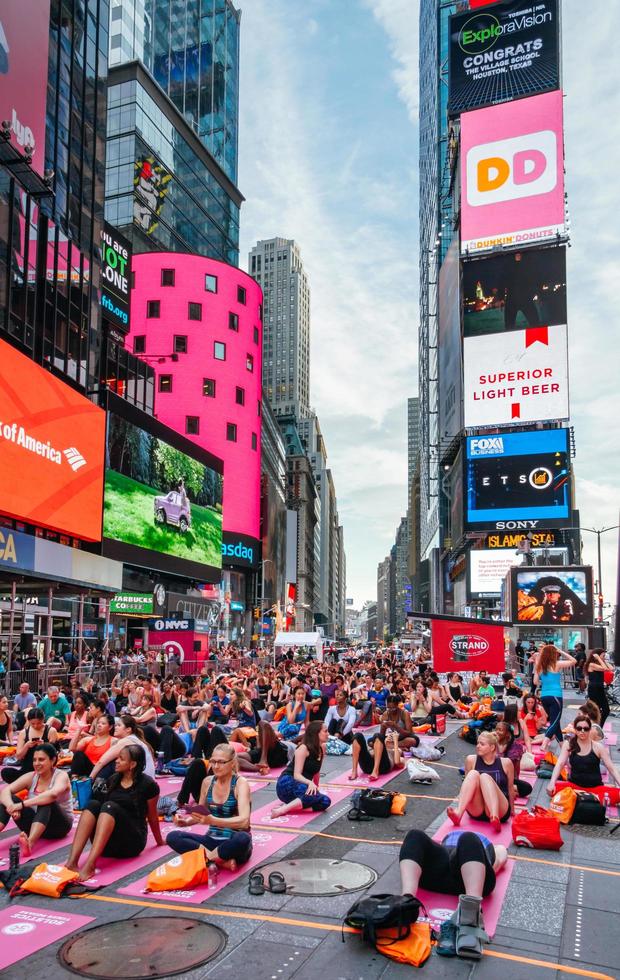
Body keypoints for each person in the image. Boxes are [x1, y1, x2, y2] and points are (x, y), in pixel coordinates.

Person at [399, 829, 508, 958]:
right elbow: (501, 855)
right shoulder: (483, 843)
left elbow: (500, 856)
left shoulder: (475, 841)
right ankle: (407, 902)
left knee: (467, 837)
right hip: (455, 873)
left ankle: (470, 915)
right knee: (415, 834)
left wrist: (484, 870)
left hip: (458, 876)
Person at [65, 744, 164, 881]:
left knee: (110, 806)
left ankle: (90, 865)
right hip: (107, 845)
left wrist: (160, 842)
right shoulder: (113, 779)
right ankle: (72, 862)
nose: (116, 761)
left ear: (133, 764)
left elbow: (152, 816)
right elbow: (99, 811)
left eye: (121, 759)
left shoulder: (148, 785)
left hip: (130, 843)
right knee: (93, 804)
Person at [168, 743, 252, 871]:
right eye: (213, 761)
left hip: (233, 842)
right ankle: (219, 861)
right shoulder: (208, 782)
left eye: (221, 762)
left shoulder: (240, 784)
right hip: (211, 840)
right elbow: (202, 813)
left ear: (232, 763)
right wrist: (185, 822)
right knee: (173, 837)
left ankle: (207, 858)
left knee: (243, 838)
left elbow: (244, 822)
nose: (216, 766)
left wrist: (213, 820)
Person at [0, 743, 73, 856]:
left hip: (59, 827)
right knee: (11, 799)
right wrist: (11, 806)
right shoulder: (31, 776)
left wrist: (21, 805)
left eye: (41, 760)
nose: (37, 764)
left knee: (46, 801)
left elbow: (52, 795)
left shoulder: (61, 776)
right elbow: (5, 791)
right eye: (34, 760)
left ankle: (30, 843)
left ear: (52, 760)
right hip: (36, 824)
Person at [447, 732, 515, 832]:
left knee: (484, 777)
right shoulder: (471, 760)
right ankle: (459, 813)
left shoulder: (506, 763)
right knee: (473, 774)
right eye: (478, 743)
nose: (478, 746)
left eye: (482, 744)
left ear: (492, 747)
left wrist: (512, 810)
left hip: (500, 809)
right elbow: (468, 787)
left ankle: (494, 816)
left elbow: (510, 788)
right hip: (478, 809)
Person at [546, 716, 620, 800]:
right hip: (574, 787)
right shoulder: (569, 744)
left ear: (590, 729)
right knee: (551, 789)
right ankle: (585, 798)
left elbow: (612, 768)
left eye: (586, 729)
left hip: (595, 789)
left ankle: (585, 798)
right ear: (575, 729)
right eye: (579, 728)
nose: (582, 731)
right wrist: (552, 782)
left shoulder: (598, 747)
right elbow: (560, 764)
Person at [271, 721, 331, 818]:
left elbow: (317, 771)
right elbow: (296, 775)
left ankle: (290, 808)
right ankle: (281, 810)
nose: (328, 734)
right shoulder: (303, 748)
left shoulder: (322, 748)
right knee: (311, 795)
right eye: (325, 731)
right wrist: (310, 783)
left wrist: (316, 786)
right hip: (287, 782)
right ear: (316, 733)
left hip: (303, 786)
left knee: (326, 801)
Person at [533, 644, 576, 751]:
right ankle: (545, 742)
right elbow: (573, 660)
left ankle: (562, 746)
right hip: (555, 696)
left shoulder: (540, 666)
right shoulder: (556, 664)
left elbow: (535, 682)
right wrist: (561, 651)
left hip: (544, 696)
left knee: (554, 721)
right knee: (554, 721)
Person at [89, 715, 156, 780]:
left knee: (113, 762)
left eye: (119, 725)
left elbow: (101, 762)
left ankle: (95, 788)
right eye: (116, 725)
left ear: (128, 729)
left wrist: (89, 780)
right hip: (147, 780)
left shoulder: (125, 741)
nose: (116, 728)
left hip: (139, 782)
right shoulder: (136, 738)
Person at [1, 708, 57, 784]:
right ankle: (29, 782)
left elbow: (54, 757)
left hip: (45, 770)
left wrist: (45, 746)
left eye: (39, 723)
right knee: (6, 772)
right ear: (28, 721)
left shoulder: (51, 731)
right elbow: (18, 756)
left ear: (43, 719)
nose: (36, 726)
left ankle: (33, 782)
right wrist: (26, 746)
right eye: (33, 724)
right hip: (27, 770)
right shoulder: (23, 733)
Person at [584, 648, 611, 726]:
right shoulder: (591, 664)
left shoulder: (599, 663)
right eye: (603, 655)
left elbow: (611, 669)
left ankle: (598, 727)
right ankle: (594, 728)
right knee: (596, 710)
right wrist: (599, 659)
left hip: (600, 689)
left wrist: (604, 660)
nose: (604, 657)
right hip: (594, 689)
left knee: (606, 710)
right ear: (597, 656)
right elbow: (605, 669)